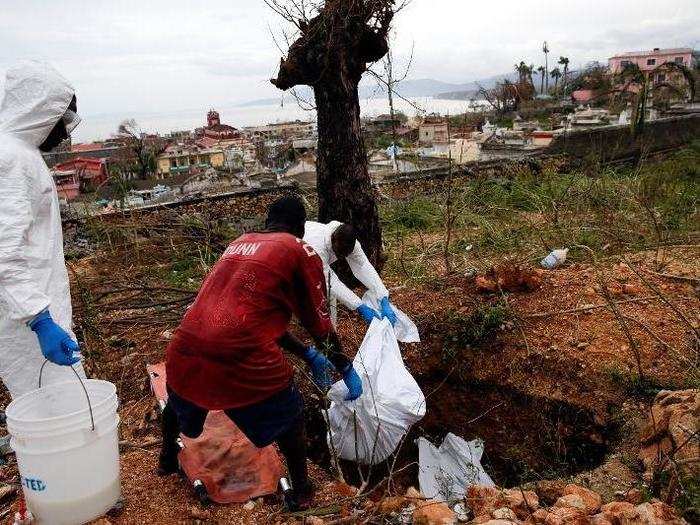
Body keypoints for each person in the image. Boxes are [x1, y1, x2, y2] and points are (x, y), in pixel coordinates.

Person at [161, 195, 363, 509]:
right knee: (291, 414)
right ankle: (303, 491)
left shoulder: (237, 244)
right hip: (238, 358)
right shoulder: (299, 249)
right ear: (300, 227)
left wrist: (305, 353)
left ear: (268, 222)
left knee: (180, 398)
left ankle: (166, 459)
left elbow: (251, 317)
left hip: (184, 348)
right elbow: (319, 323)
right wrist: (344, 367)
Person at [0, 61, 84, 399]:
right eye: (59, 120)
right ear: (36, 110)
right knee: (57, 416)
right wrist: (39, 320)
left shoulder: (20, 153)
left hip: (36, 312)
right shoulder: (10, 160)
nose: (64, 132)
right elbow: (5, 253)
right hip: (29, 326)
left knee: (64, 415)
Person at [303, 220, 397, 326]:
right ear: (333, 240)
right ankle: (319, 336)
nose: (342, 256)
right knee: (320, 297)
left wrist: (383, 296)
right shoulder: (317, 247)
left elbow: (363, 266)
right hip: (292, 260)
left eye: (346, 253)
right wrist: (359, 306)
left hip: (310, 264)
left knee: (329, 298)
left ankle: (329, 336)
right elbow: (330, 281)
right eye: (340, 252)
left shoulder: (350, 242)